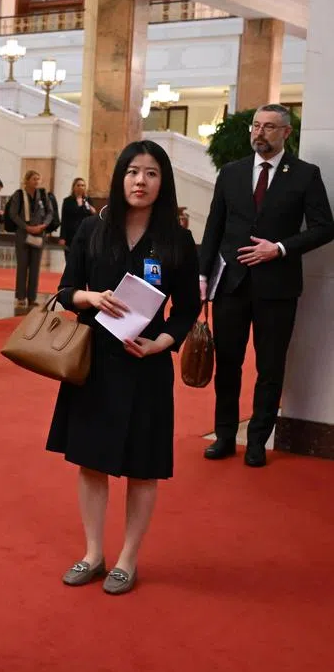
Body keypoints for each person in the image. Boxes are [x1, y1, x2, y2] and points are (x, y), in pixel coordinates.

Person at [48, 140, 199, 595]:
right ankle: (94, 553)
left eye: (151, 173)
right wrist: (90, 297)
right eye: (133, 171)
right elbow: (65, 289)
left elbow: (188, 306)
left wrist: (162, 343)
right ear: (120, 176)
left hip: (145, 365)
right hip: (95, 362)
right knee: (91, 462)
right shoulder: (93, 231)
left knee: (143, 466)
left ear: (163, 182)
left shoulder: (177, 239)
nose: (140, 181)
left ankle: (128, 558)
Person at [200, 103, 334, 468]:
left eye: (269, 127)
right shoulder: (231, 172)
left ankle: (258, 441)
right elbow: (214, 227)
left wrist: (279, 248)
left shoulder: (305, 175)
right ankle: (225, 436)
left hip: (278, 288)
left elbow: (325, 226)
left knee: (270, 367)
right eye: (256, 126)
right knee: (228, 364)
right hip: (232, 284)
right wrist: (202, 276)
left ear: (286, 133)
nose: (259, 133)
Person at [7, 170, 58, 308]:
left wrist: (44, 225)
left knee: (35, 268)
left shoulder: (43, 194)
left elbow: (50, 212)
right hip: (23, 234)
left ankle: (32, 297)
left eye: (38, 179)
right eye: (34, 179)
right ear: (27, 180)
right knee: (23, 266)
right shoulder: (19, 195)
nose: (36, 181)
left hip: (39, 233)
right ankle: (20, 297)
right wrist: (26, 227)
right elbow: (13, 214)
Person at [60, 177, 96, 247]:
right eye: (78, 185)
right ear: (74, 187)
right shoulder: (67, 201)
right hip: (71, 235)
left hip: (85, 234)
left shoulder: (88, 200)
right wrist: (62, 237)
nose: (81, 187)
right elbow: (64, 219)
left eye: (83, 185)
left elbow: (93, 215)